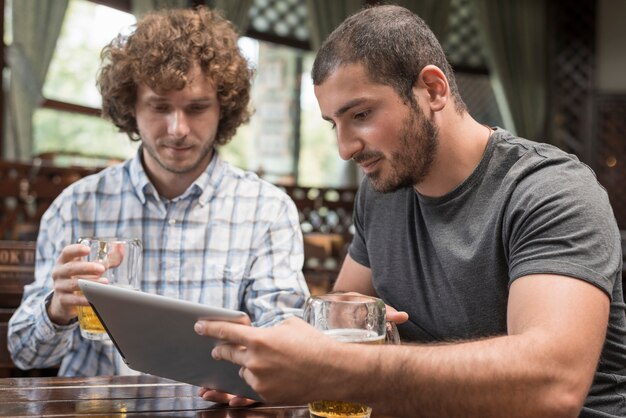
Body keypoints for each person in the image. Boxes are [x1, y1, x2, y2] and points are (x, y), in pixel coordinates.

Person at [194, 5, 626, 417]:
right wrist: (269, 370)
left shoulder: (549, 191)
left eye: (360, 114)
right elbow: (339, 313)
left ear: (433, 89)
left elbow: (551, 388)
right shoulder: (382, 191)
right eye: (334, 124)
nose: (345, 148)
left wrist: (332, 371)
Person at [8, 6, 309, 377]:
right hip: (97, 407)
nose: (178, 128)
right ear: (130, 106)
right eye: (159, 106)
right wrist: (57, 310)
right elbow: (24, 354)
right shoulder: (75, 207)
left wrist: (263, 361)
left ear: (223, 108)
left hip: (211, 405)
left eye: (197, 108)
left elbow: (285, 337)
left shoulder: (267, 210)